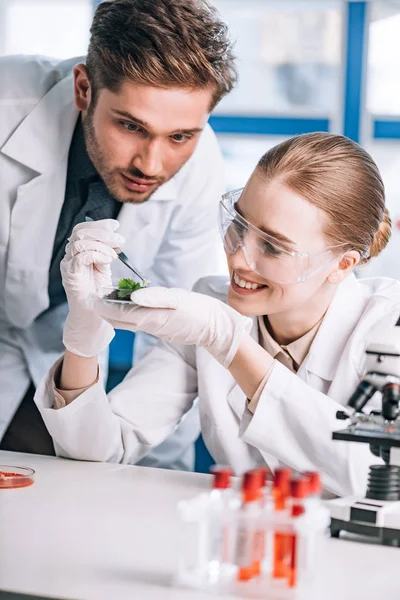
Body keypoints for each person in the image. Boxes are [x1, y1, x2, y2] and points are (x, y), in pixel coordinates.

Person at [34, 132, 397, 497]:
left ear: (342, 265)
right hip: (242, 540)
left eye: (272, 246)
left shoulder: (387, 328)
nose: (239, 258)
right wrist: (84, 330)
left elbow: (378, 475)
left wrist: (232, 345)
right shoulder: (211, 305)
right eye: (239, 225)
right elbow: (97, 452)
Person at [0, 0, 237, 469]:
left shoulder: (200, 165)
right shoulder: (7, 108)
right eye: (131, 126)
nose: (151, 165)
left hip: (60, 352)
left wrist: (156, 478)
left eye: (180, 136)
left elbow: (174, 338)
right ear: (84, 88)